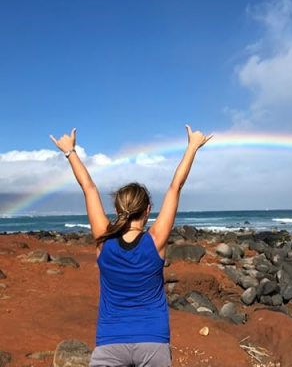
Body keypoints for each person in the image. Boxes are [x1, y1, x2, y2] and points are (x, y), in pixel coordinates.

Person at [50, 125, 213, 367]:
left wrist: (70, 152)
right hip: (153, 341)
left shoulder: (104, 241)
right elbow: (175, 187)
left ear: (117, 211)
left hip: (110, 342)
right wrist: (192, 147)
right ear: (148, 211)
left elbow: (89, 188)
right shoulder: (155, 241)